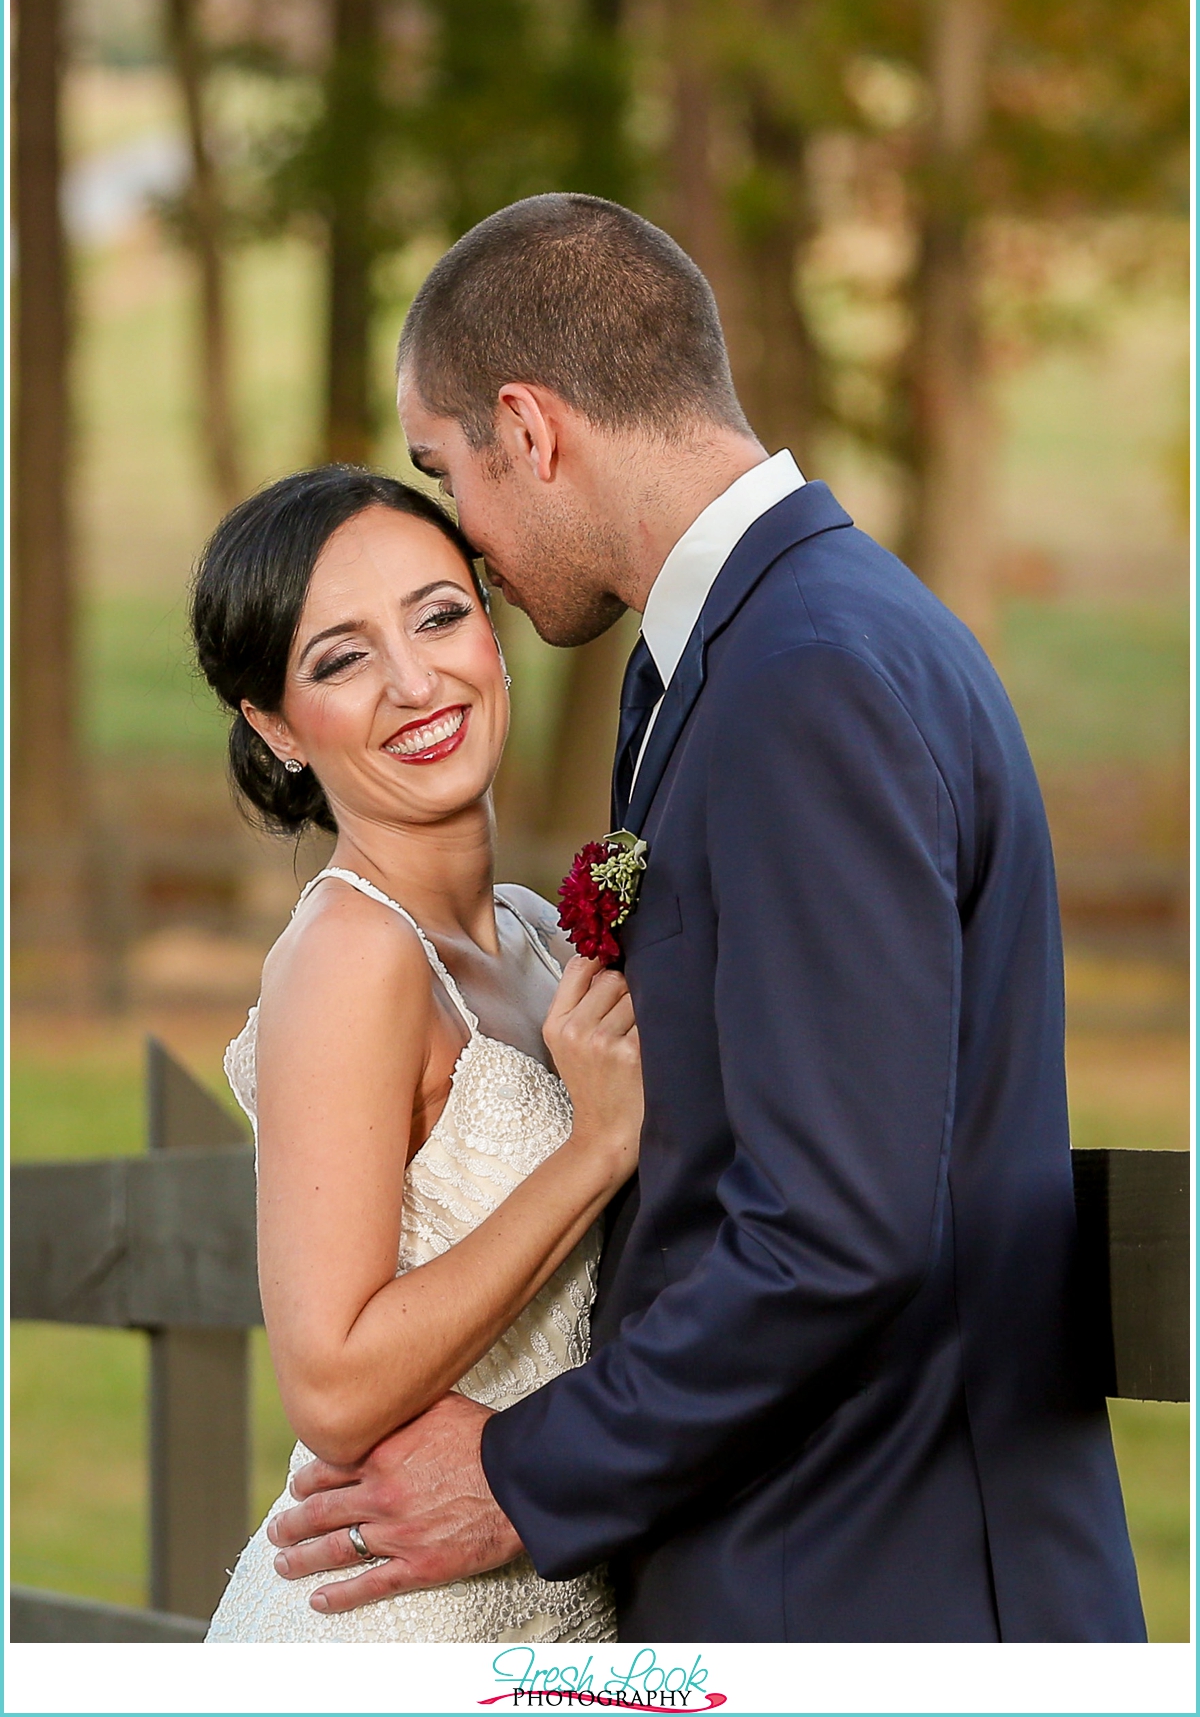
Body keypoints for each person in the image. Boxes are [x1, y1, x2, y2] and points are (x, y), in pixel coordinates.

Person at [267, 194, 1145, 1641]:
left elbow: (839, 1225)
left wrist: (516, 1470)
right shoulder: (745, 651)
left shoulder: (809, 677)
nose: (466, 540)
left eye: (447, 471)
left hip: (871, 1583)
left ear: (532, 430)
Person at [192, 465, 640, 1642]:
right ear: (276, 727)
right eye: (339, 659)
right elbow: (333, 1385)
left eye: (438, 615)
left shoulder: (543, 930)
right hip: (396, 1618)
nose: (413, 680)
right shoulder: (351, 955)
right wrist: (592, 1153)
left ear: (490, 632)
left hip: (545, 1589)